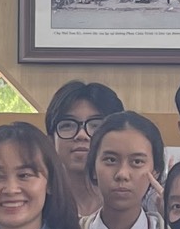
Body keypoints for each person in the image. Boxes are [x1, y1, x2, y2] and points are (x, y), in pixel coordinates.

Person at [46, 79, 125, 221]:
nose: (81, 135)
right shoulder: (38, 204)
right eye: (67, 125)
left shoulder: (135, 204)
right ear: (51, 140)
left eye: (95, 125)